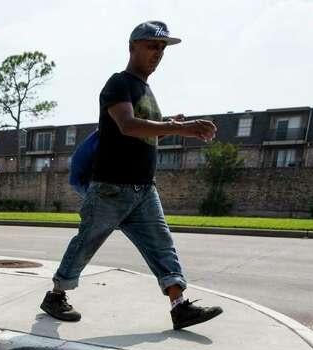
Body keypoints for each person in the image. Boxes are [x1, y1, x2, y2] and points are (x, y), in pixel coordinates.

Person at [41, 21, 224, 330]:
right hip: (111, 187)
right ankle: (56, 295)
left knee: (162, 245)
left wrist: (167, 124)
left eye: (162, 48)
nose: (158, 53)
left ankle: (180, 307)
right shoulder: (119, 83)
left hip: (143, 190)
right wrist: (180, 127)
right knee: (86, 243)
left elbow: (144, 135)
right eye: (152, 46)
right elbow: (127, 125)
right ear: (133, 47)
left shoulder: (146, 90)